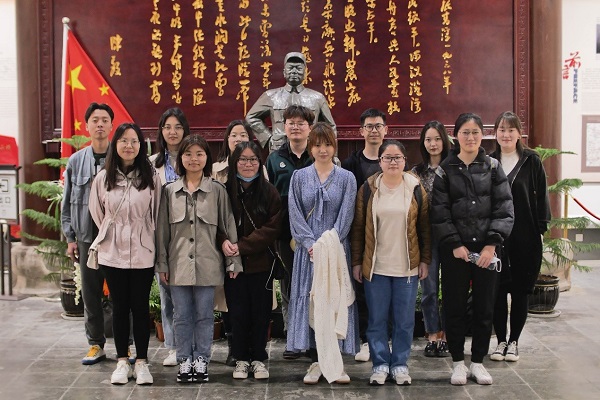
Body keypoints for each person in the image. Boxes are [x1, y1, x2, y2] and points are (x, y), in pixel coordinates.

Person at [431, 113, 514, 386]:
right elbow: (440, 212)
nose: (470, 137)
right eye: (465, 132)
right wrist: (455, 244)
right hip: (455, 251)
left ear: (482, 135)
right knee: (454, 306)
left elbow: (504, 208)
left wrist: (491, 245)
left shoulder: (493, 167)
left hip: (487, 250)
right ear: (456, 136)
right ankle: (457, 362)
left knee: (484, 307)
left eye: (475, 132)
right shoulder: (445, 169)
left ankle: (477, 362)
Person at [156, 135, 242, 384]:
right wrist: (162, 264)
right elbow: (162, 232)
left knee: (205, 315)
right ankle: (184, 359)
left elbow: (228, 227)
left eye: (199, 154)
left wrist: (233, 262)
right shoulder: (169, 192)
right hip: (178, 265)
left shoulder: (217, 191)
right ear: (181, 159)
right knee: (181, 315)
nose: (194, 159)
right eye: (188, 154)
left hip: (208, 264)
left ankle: (202, 359)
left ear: (207, 158)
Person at [351, 140, 431, 386]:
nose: (393, 162)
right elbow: (358, 228)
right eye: (388, 158)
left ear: (405, 161)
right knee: (376, 320)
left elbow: (425, 228)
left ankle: (399, 364)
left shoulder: (415, 187)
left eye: (397, 158)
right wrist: (357, 262)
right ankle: (379, 364)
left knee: (404, 321)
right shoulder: (368, 188)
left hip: (407, 267)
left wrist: (425, 260)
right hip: (376, 267)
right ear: (380, 161)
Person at [89, 123, 161, 385]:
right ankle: (122, 361)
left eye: (134, 141)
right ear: (115, 144)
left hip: (143, 251)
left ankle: (141, 362)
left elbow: (157, 213)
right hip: (112, 252)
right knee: (119, 307)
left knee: (140, 308)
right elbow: (98, 213)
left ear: (141, 145)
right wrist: (115, 233)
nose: (129, 146)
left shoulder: (151, 177)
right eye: (123, 141)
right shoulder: (103, 178)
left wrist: (145, 236)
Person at [287, 122, 359, 384]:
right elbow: (295, 213)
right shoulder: (299, 177)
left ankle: (336, 362)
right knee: (312, 302)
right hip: (307, 254)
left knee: (335, 301)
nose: (323, 149)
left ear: (334, 146)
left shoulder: (347, 178)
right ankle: (317, 362)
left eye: (327, 144)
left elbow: (346, 216)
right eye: (317, 144)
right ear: (310, 147)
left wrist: (328, 244)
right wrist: (311, 244)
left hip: (335, 251)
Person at [489, 111, 550, 362]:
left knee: (521, 290)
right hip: (496, 237)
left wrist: (541, 229)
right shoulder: (489, 161)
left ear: (519, 133)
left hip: (525, 235)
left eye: (511, 130)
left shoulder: (531, 160)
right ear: (495, 133)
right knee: (497, 290)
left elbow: (541, 197)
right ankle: (500, 342)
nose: (506, 134)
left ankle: (514, 342)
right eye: (502, 130)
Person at [62, 102, 115, 365]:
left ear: (112, 125)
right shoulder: (75, 161)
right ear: (87, 126)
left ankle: (127, 345)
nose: (100, 124)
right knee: (91, 294)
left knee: (121, 293)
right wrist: (70, 238)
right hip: (86, 237)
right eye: (95, 120)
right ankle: (95, 344)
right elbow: (67, 202)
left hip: (115, 238)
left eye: (105, 120)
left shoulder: (121, 158)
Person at [224, 141, 283, 380]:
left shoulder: (269, 191)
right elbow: (217, 222)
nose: (248, 164)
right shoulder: (225, 190)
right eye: (243, 159)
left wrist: (242, 246)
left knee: (260, 313)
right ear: (234, 162)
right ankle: (240, 359)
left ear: (260, 163)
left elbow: (273, 228)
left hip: (261, 264)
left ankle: (258, 358)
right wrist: (225, 243)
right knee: (237, 312)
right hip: (233, 265)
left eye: (253, 160)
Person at [265, 105, 314, 359]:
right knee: (290, 286)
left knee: (313, 286)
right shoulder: (274, 159)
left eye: (300, 123)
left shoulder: (317, 156)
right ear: (284, 127)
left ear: (309, 128)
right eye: (291, 123)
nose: (295, 127)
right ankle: (293, 338)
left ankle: (313, 339)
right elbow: (269, 198)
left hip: (314, 234)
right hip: (285, 234)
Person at [342, 107, 388, 363]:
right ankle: (363, 339)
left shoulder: (392, 159)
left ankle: (381, 338)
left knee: (384, 289)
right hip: (358, 234)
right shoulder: (350, 164)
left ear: (385, 130)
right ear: (361, 131)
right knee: (360, 286)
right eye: (369, 126)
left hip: (388, 235)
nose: (374, 130)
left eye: (378, 126)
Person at [211, 119, 255, 367]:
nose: (238, 139)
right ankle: (232, 345)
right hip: (223, 243)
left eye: (243, 135)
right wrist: (222, 239)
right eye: (234, 135)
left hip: (249, 244)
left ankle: (250, 346)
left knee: (248, 296)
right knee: (227, 297)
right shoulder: (216, 170)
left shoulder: (257, 166)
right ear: (227, 140)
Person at [149, 107, 191, 367]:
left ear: (185, 130)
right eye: (167, 127)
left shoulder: (194, 158)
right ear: (161, 131)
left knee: (191, 293)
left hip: (190, 234)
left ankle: (193, 344)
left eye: (177, 127)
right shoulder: (151, 163)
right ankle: (174, 346)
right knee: (167, 292)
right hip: (161, 234)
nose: (172, 132)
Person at [411, 121, 452, 358]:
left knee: (450, 288)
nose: (433, 144)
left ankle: (447, 335)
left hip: (450, 235)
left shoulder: (452, 168)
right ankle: (432, 334)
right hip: (426, 236)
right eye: (428, 139)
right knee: (428, 288)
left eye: (437, 139)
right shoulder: (416, 172)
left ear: (444, 141)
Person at [246, 51, 336, 152]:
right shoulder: (271, 96)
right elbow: (251, 117)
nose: (294, 71)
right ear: (284, 72)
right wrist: (268, 138)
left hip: (309, 150)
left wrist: (333, 155)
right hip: (279, 149)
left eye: (298, 68)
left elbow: (330, 127)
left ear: (305, 72)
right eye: (290, 68)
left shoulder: (317, 98)